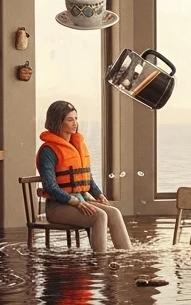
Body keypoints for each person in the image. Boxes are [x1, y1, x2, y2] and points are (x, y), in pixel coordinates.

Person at [36, 101, 131, 253]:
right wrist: (76, 203)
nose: (75, 123)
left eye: (76, 118)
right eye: (70, 119)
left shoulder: (76, 146)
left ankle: (128, 255)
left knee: (114, 212)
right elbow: (50, 186)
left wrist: (98, 194)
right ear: (57, 122)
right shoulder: (48, 151)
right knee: (99, 216)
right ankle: (100, 260)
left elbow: (86, 177)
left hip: (81, 199)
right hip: (58, 207)